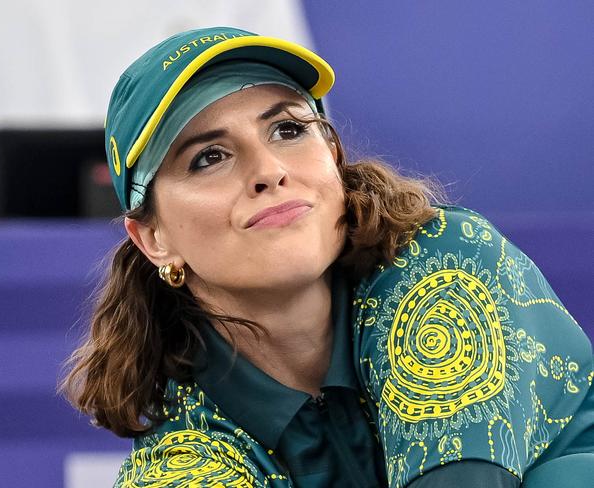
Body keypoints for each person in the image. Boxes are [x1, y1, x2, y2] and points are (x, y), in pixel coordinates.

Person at [60, 27, 594, 487]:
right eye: (209, 158)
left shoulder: (445, 262)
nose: (268, 170)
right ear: (153, 238)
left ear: (333, 156)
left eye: (288, 129)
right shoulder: (179, 461)